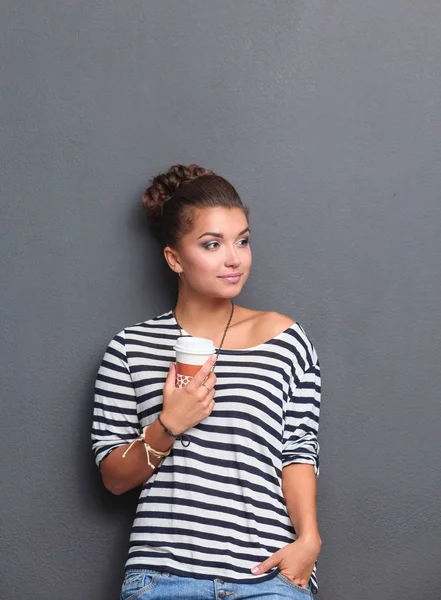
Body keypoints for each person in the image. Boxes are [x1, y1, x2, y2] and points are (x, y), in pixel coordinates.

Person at [91, 164, 322, 599]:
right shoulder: (130, 347)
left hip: (268, 577)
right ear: (174, 258)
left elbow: (298, 451)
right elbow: (113, 477)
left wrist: (309, 541)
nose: (234, 258)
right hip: (163, 578)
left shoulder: (285, 340)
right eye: (212, 244)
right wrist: (169, 424)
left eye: (243, 240)